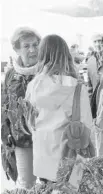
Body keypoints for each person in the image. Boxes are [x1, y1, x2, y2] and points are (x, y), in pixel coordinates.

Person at [25, 35, 93, 182]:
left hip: (42, 162)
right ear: (66, 54)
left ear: (42, 55)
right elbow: (86, 127)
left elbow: (30, 124)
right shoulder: (76, 87)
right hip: (70, 163)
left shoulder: (32, 87)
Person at [1, 27, 41, 188]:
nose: (32, 50)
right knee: (26, 183)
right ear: (16, 49)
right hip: (21, 139)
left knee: (52, 183)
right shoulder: (11, 74)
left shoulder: (48, 71)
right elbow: (5, 106)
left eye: (35, 44)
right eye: (26, 46)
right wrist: (6, 135)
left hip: (48, 139)